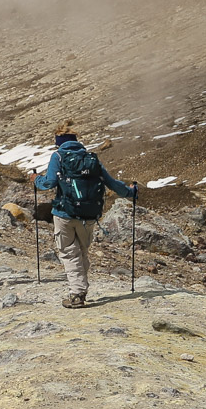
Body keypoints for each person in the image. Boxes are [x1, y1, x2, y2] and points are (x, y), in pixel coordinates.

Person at [35, 125, 135, 308]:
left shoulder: (58, 156)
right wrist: (130, 192)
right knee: (81, 251)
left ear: (58, 142)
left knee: (68, 252)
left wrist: (36, 179)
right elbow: (111, 182)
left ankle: (77, 294)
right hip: (89, 215)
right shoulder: (91, 158)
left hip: (64, 213)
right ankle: (81, 289)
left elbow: (48, 182)